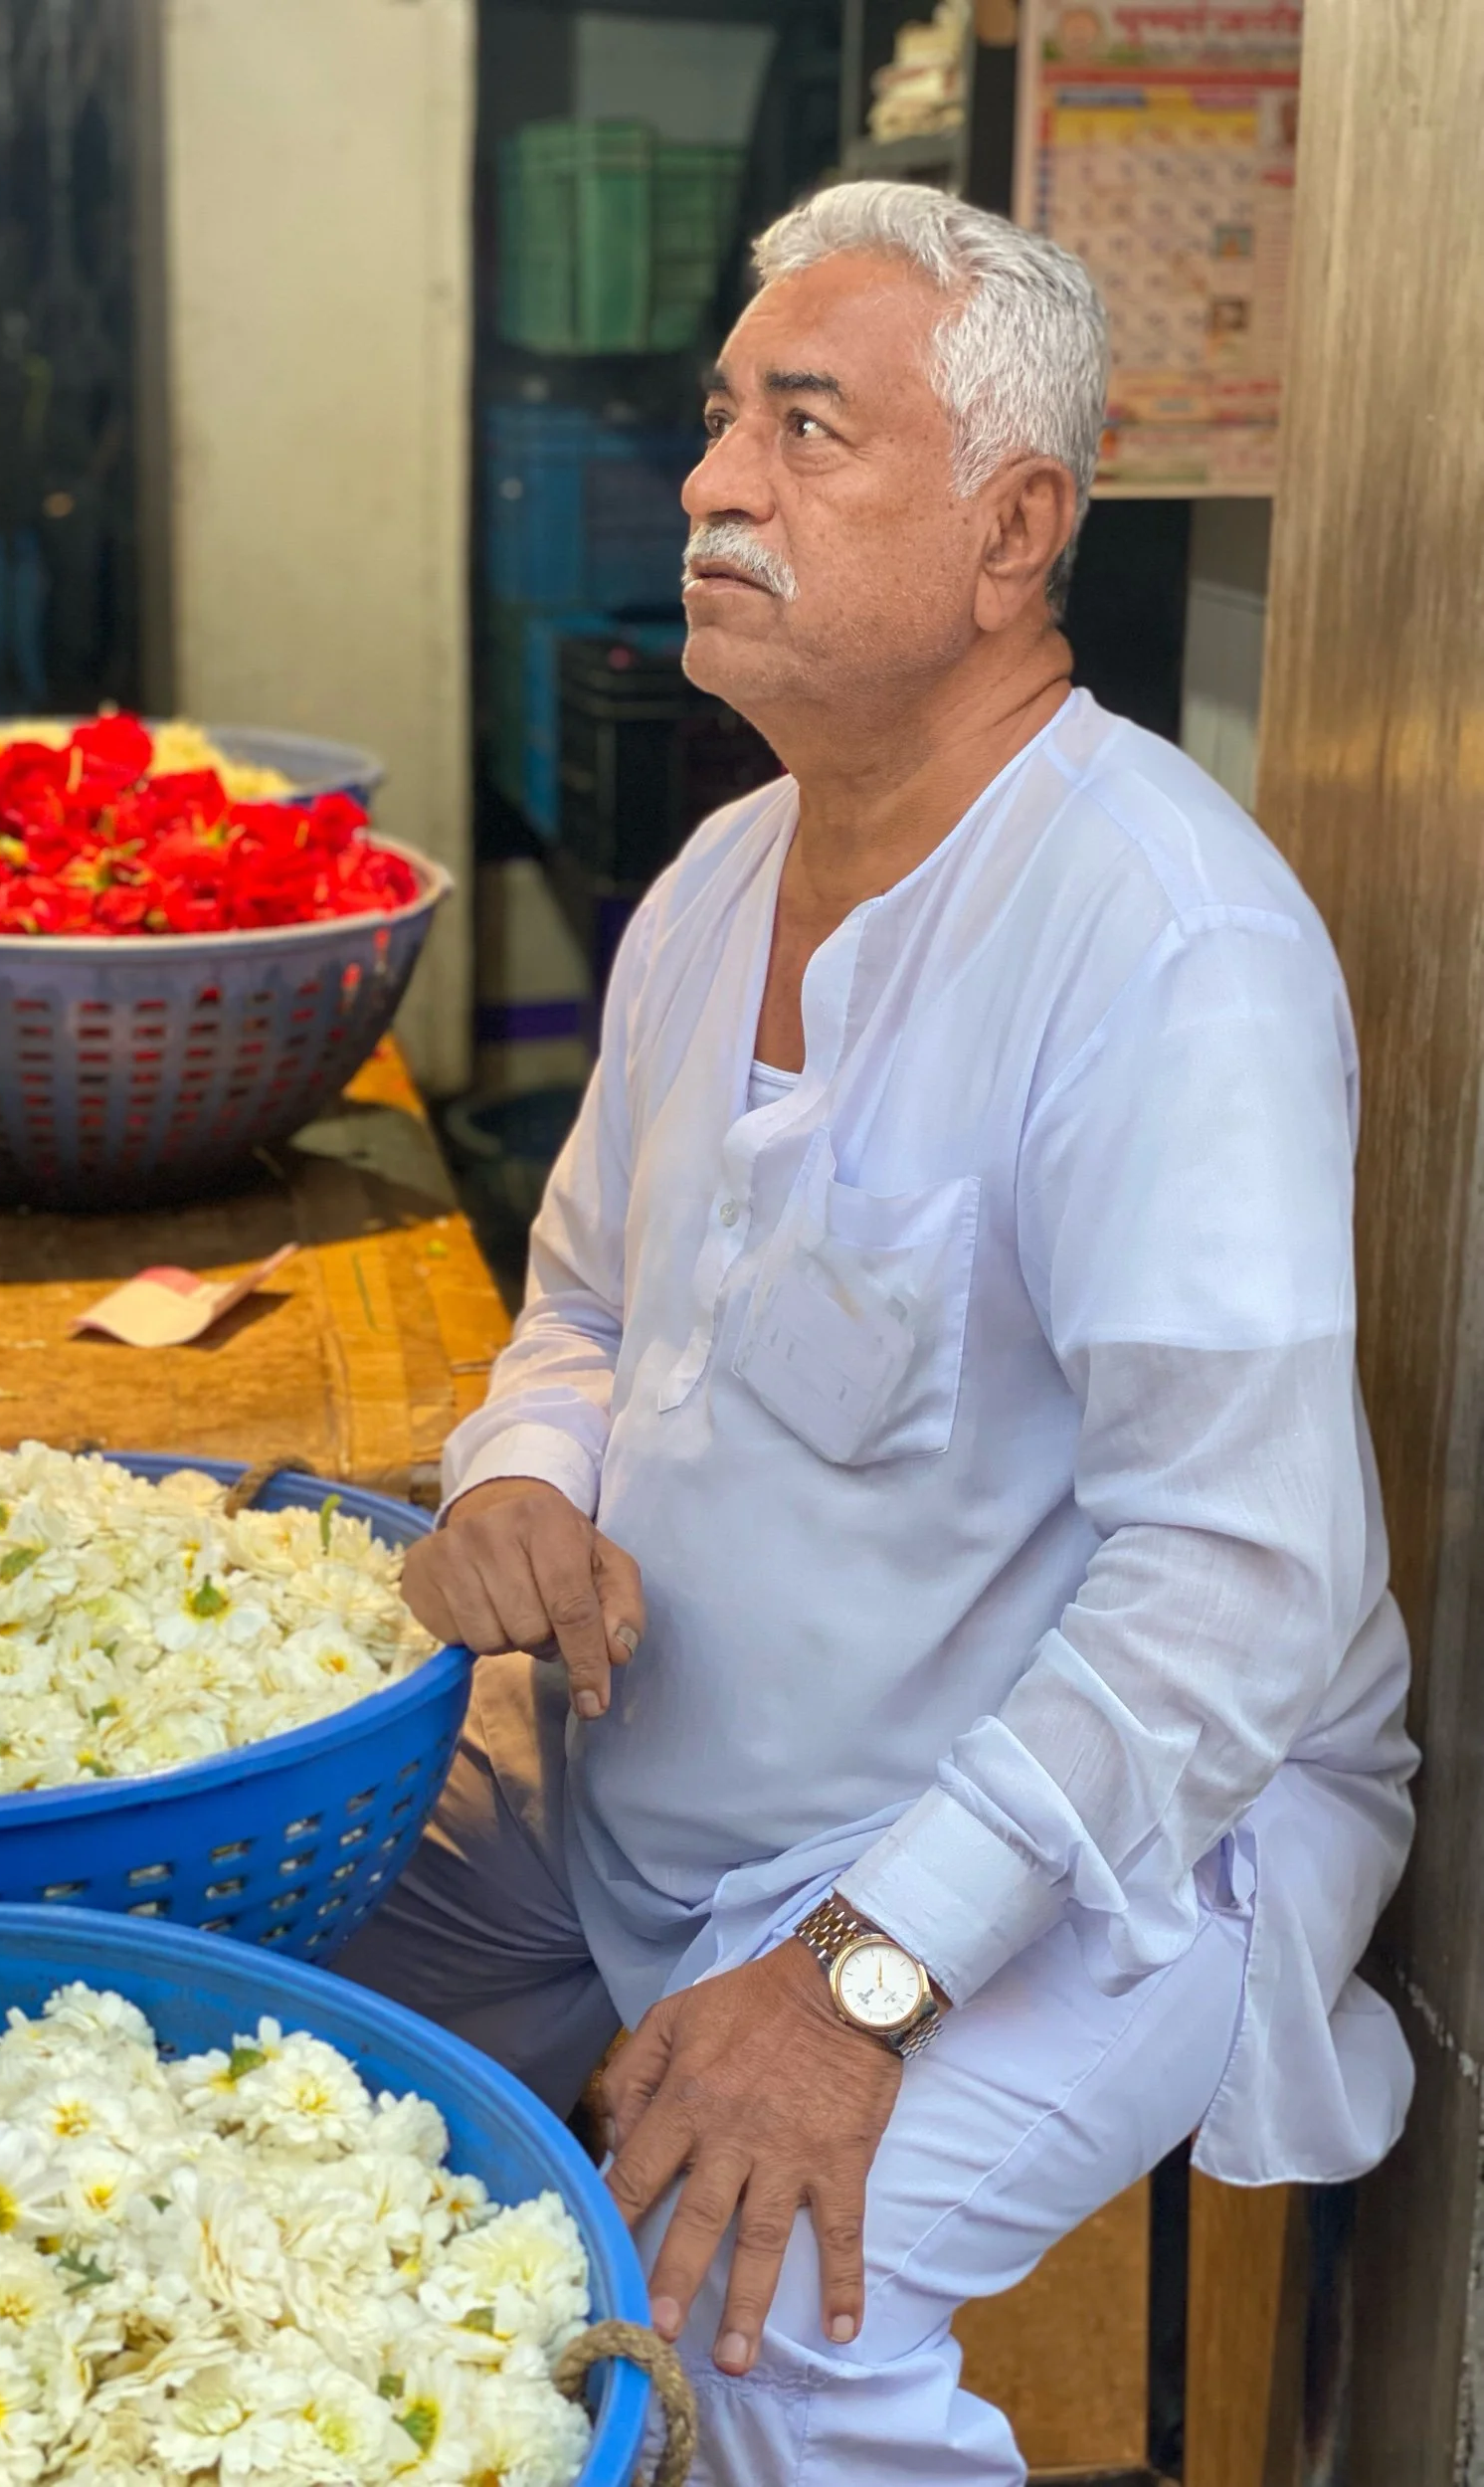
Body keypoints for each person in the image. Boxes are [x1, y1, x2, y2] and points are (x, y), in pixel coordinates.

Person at [340, 182, 1415, 2484]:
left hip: (1057, 1859)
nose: (712, 482)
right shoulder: (715, 882)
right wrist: (522, 1476)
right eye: (721, 419)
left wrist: (852, 1974)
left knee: (739, 2316)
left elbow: (1235, 1586)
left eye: (801, 429)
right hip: (643, 1811)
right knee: (213, 2040)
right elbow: (585, 1307)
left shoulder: (1158, 948)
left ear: (1007, 528)